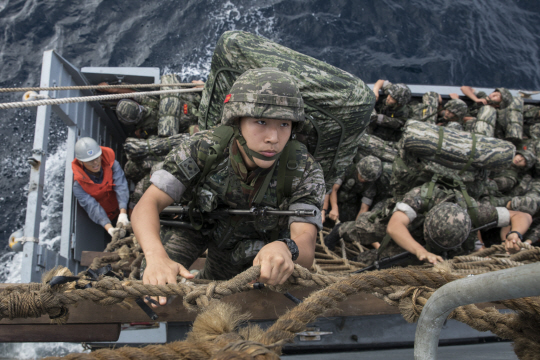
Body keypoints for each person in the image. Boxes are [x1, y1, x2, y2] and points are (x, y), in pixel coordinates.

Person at [132, 68, 325, 305]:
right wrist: (156, 257)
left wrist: (286, 249)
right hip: (199, 226)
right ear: (237, 122)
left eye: (284, 124)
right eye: (261, 121)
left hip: (255, 242)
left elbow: (306, 242)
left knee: (232, 294)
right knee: (153, 290)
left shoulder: (303, 169)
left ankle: (203, 279)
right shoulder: (205, 148)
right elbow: (148, 203)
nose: (273, 137)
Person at [325, 181, 533, 265]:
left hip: (439, 248)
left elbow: (522, 215)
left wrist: (515, 234)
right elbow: (395, 227)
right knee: (366, 231)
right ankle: (339, 231)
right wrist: (419, 250)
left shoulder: (474, 212)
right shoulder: (420, 197)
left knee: (388, 262)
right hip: (408, 225)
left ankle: (364, 259)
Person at [71, 137, 130, 237]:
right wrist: (109, 228)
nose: (95, 163)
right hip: (106, 218)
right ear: (81, 162)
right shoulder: (78, 186)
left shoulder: (112, 164)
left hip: (123, 208)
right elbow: (92, 207)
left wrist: (123, 213)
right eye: (90, 161)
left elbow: (121, 186)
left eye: (97, 158)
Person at [326, 155, 383, 223]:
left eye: (366, 179)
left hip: (350, 205)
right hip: (333, 198)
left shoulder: (371, 185)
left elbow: (364, 208)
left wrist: (354, 226)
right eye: (361, 176)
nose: (363, 180)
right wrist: (334, 208)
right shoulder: (348, 169)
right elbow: (334, 189)